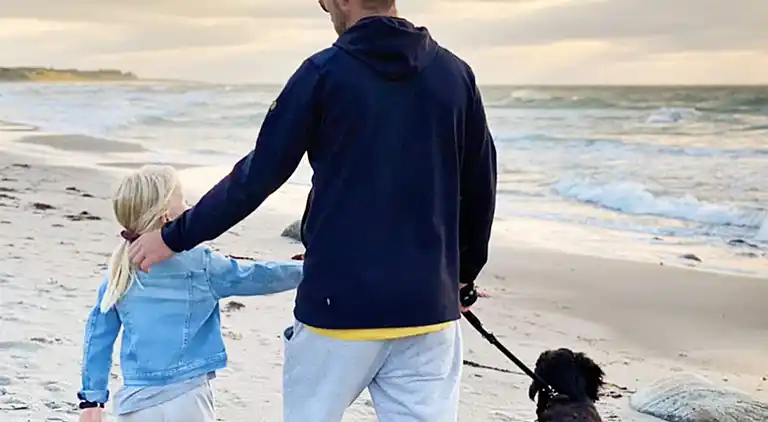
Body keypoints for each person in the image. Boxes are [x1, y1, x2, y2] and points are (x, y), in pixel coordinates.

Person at [127, 0, 497, 419]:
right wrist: (463, 277)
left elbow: (257, 176)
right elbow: (481, 187)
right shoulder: (455, 75)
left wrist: (174, 237)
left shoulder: (323, 73)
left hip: (337, 310)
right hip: (428, 311)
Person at [76, 165, 304, 422]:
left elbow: (98, 338)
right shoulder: (201, 264)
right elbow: (257, 276)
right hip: (187, 399)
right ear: (166, 218)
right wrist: (307, 271)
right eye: (183, 201)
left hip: (135, 403)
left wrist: (92, 400)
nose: (189, 207)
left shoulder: (119, 274)